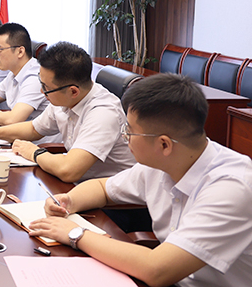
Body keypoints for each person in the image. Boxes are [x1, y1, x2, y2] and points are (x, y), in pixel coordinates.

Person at [29, 74, 252, 287]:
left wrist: (75, 234)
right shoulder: (163, 162)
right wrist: (68, 201)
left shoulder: (231, 187)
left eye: (130, 131)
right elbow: (102, 188)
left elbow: (157, 270)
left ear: (164, 144)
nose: (125, 137)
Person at [0, 42, 135, 182]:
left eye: (46, 88)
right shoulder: (64, 97)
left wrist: (34, 152)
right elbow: (34, 129)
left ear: (73, 91)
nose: (41, 92)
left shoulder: (103, 113)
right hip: (77, 186)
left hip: (111, 201)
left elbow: (69, 170)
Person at [0, 22, 49, 126]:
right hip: (16, 133)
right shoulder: (13, 73)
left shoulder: (35, 78)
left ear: (20, 52)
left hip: (33, 137)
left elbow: (12, 120)